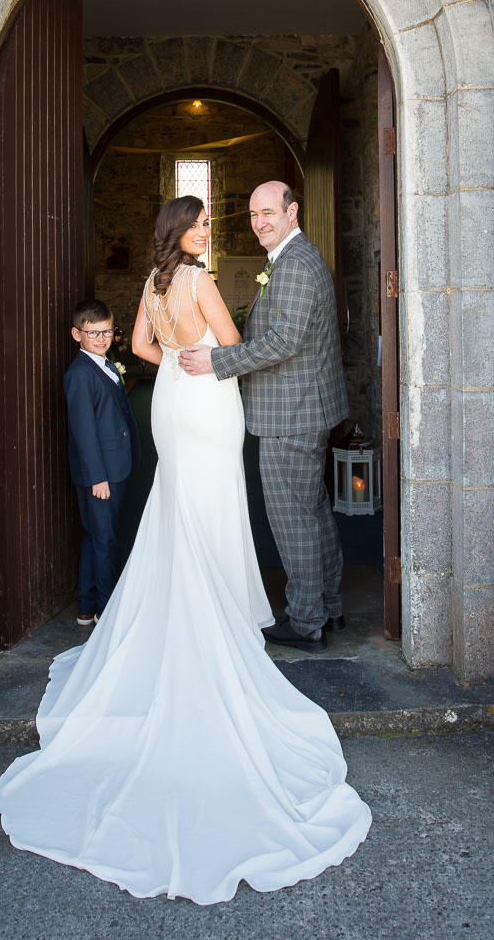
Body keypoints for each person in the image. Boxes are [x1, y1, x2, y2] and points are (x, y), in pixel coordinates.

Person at [0, 196, 371, 904]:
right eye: (200, 226)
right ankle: (220, 612)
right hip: (206, 398)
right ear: (182, 233)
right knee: (215, 501)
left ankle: (179, 603)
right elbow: (229, 343)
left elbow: (140, 347)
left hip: (170, 394)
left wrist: (171, 357)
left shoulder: (150, 283)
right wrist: (203, 356)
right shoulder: (196, 279)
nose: (207, 232)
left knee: (176, 502)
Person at [179, 181, 348, 653]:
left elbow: (283, 342)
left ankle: (306, 620)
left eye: (269, 212)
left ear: (292, 211)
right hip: (302, 407)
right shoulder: (292, 258)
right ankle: (329, 605)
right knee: (312, 511)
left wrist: (217, 363)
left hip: (290, 413)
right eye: (253, 215)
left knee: (294, 517)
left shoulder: (294, 264)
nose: (260, 223)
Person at [63, 299, 140, 626]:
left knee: (97, 536)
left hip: (114, 467)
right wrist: (97, 478)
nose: (101, 338)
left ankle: (86, 606)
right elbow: (83, 431)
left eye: (107, 331)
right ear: (76, 334)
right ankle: (107, 613)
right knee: (105, 540)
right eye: (92, 333)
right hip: (101, 474)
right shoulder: (80, 373)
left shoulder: (105, 365)